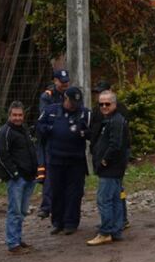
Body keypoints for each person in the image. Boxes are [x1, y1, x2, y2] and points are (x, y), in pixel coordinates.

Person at [37, 86, 91, 236]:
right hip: (55, 159)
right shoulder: (51, 111)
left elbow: (93, 131)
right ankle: (57, 222)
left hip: (76, 161)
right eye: (71, 102)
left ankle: (71, 222)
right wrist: (49, 129)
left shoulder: (84, 113)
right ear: (65, 99)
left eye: (76, 103)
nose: (73, 105)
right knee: (56, 191)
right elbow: (39, 126)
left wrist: (83, 133)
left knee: (74, 193)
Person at [88, 90, 130, 246]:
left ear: (114, 104)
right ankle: (115, 230)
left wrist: (104, 160)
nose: (104, 106)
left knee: (105, 199)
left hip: (111, 168)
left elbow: (116, 144)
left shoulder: (116, 121)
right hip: (113, 167)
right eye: (101, 104)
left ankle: (106, 231)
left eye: (107, 103)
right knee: (115, 199)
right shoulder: (110, 119)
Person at [0, 101, 38, 254]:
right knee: (14, 211)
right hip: (17, 179)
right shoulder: (5, 132)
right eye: (14, 115)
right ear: (9, 115)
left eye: (20, 115)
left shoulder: (24, 130)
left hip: (29, 177)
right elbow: (2, 156)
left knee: (22, 211)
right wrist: (14, 174)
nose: (17, 118)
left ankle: (18, 239)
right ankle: (13, 243)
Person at [36, 69, 71, 219]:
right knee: (49, 173)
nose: (64, 84)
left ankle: (63, 205)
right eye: (62, 82)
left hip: (65, 138)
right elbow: (46, 116)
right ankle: (46, 206)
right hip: (50, 138)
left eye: (66, 82)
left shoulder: (69, 95)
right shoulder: (47, 96)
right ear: (55, 81)